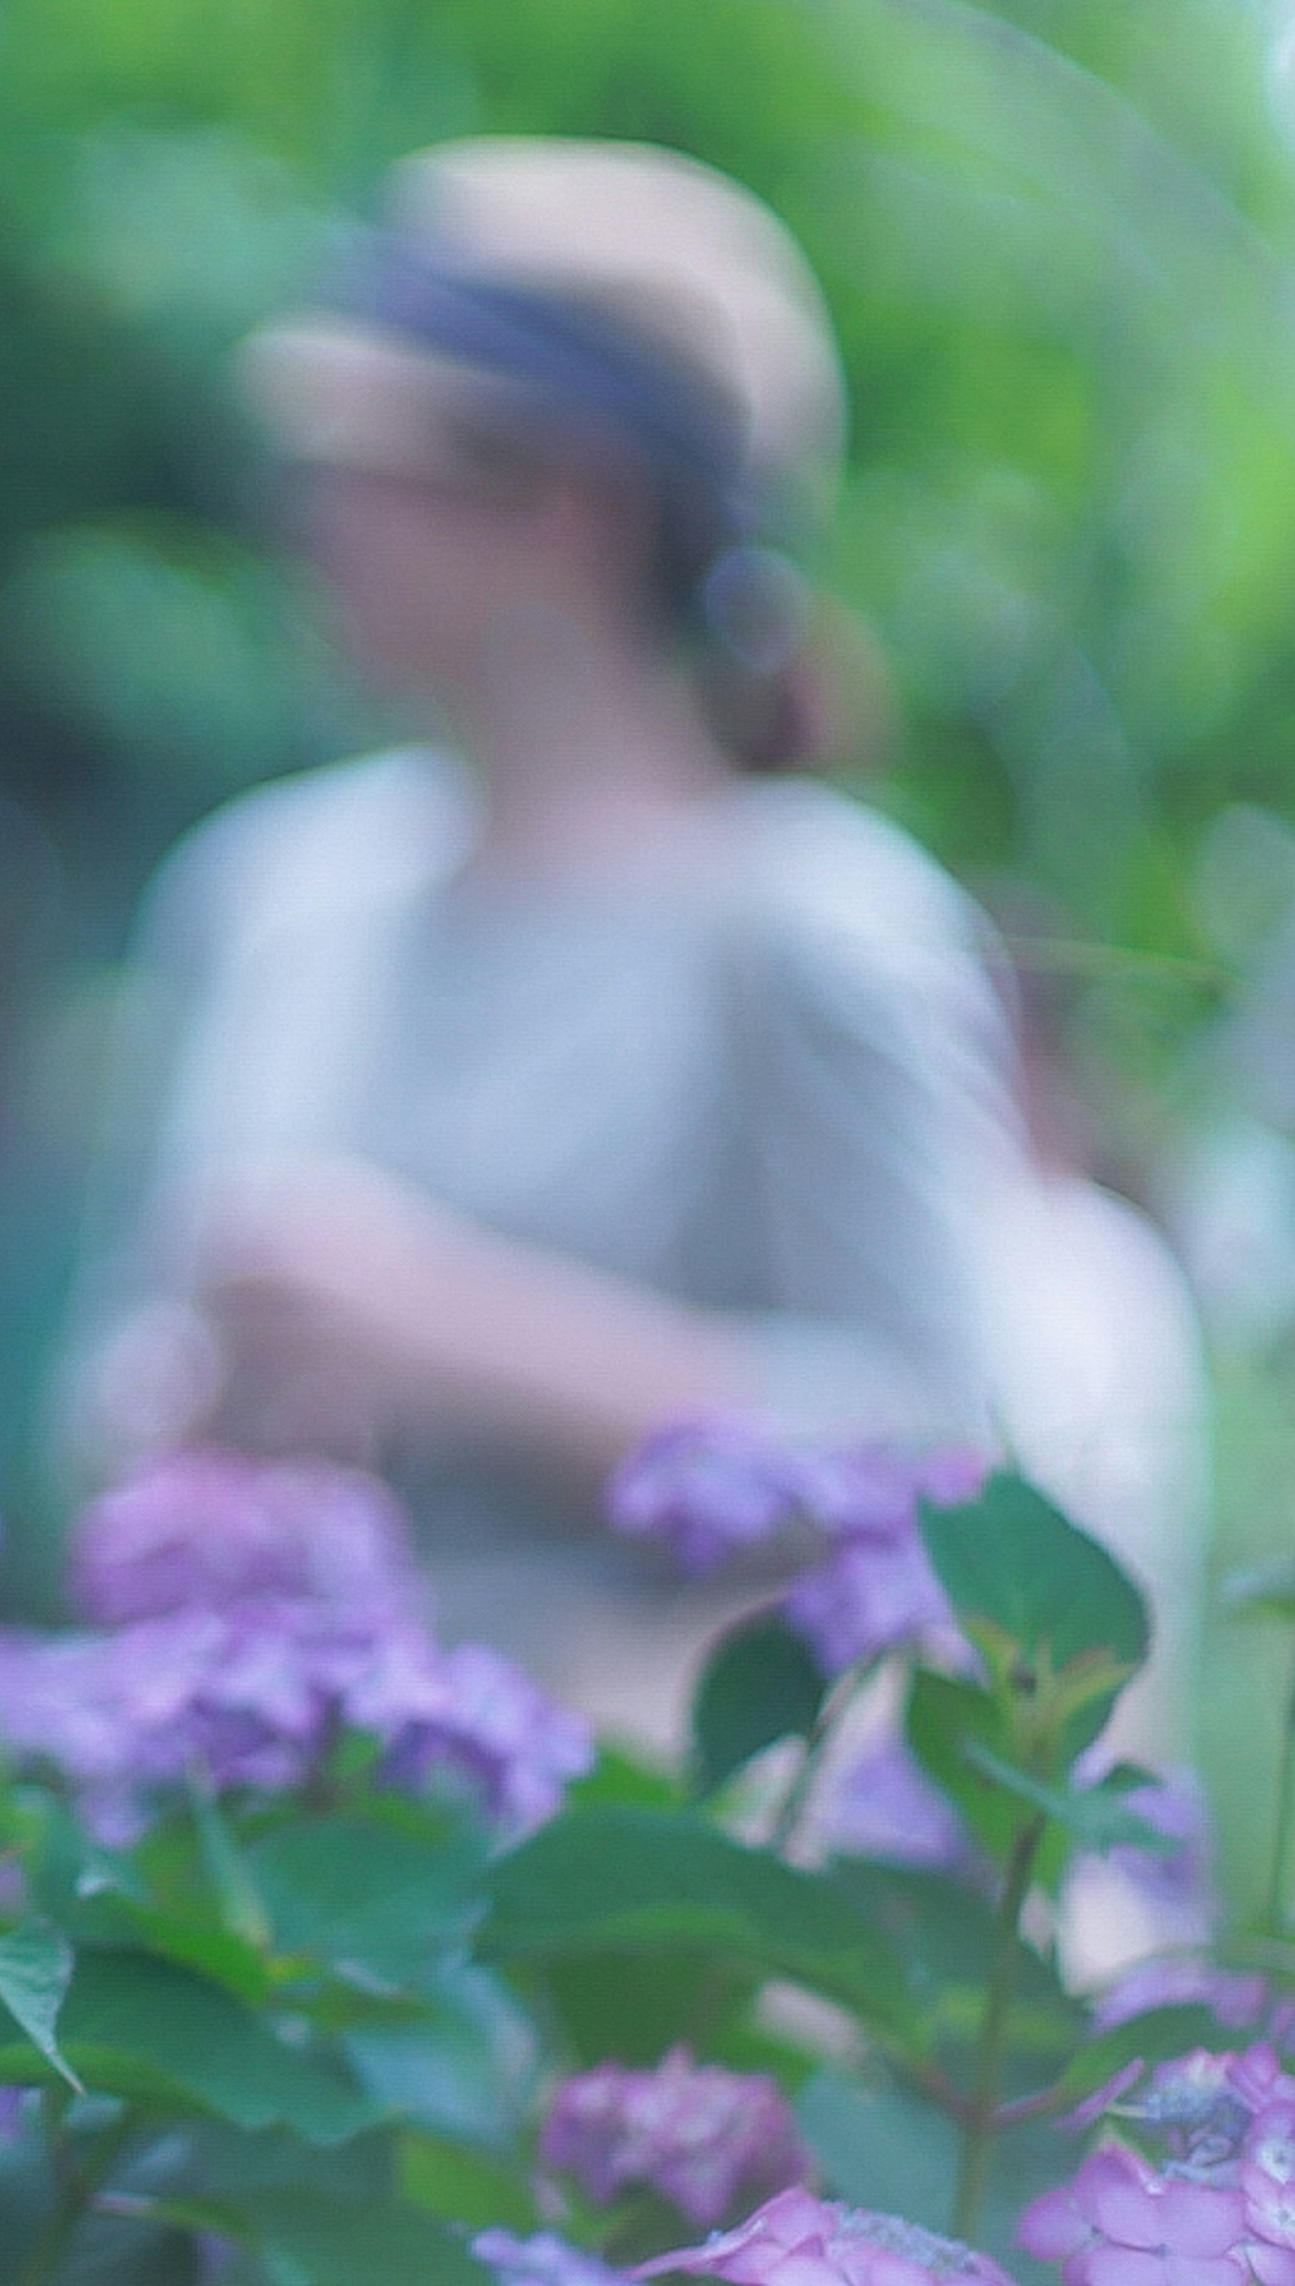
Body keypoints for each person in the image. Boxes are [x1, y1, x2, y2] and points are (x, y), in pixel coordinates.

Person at [63, 138, 1033, 1748]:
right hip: (242, 1846)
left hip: (626, 1891)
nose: (306, 519)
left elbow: (954, 1474)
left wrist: (454, 1330)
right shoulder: (268, 890)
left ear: (570, 502)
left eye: (360, 463)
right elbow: (100, 1389)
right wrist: (178, 1413)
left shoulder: (809, 920)